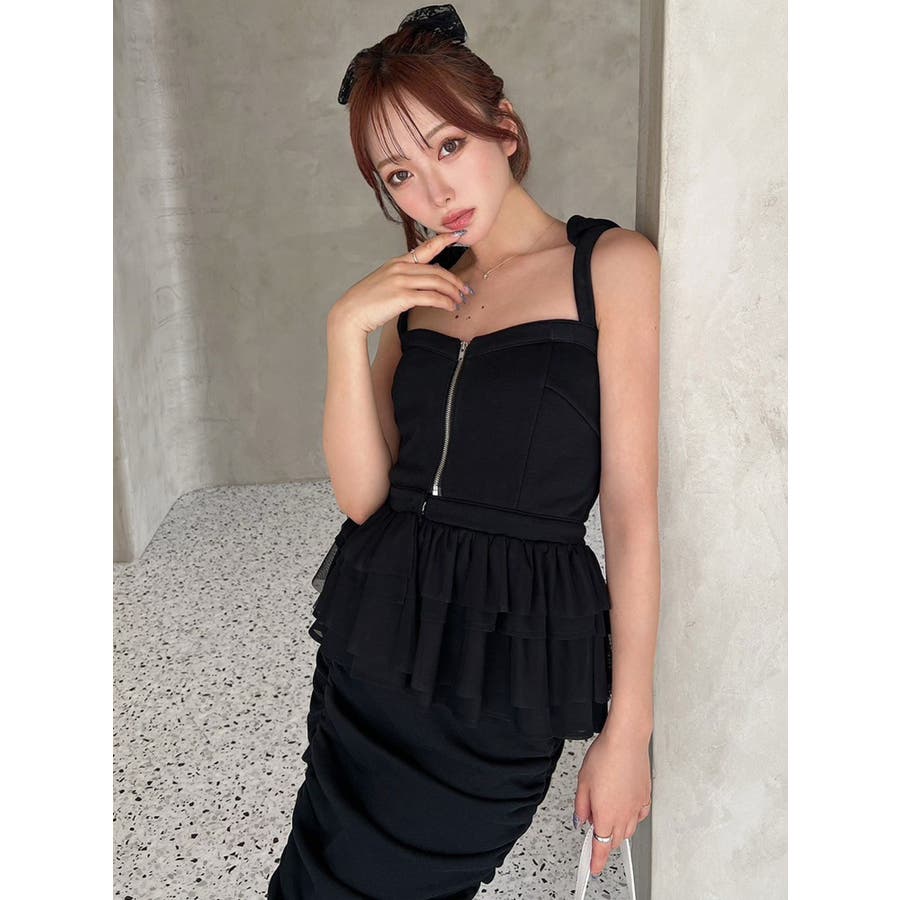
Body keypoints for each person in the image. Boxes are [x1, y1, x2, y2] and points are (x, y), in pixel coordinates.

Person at [268, 6, 660, 898]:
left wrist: (628, 733)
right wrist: (346, 332)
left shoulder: (611, 267)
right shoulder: (420, 289)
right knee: (312, 874)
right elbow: (363, 496)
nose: (433, 190)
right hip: (375, 647)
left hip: (503, 664)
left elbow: (633, 515)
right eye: (400, 174)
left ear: (504, 127)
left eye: (448, 145)